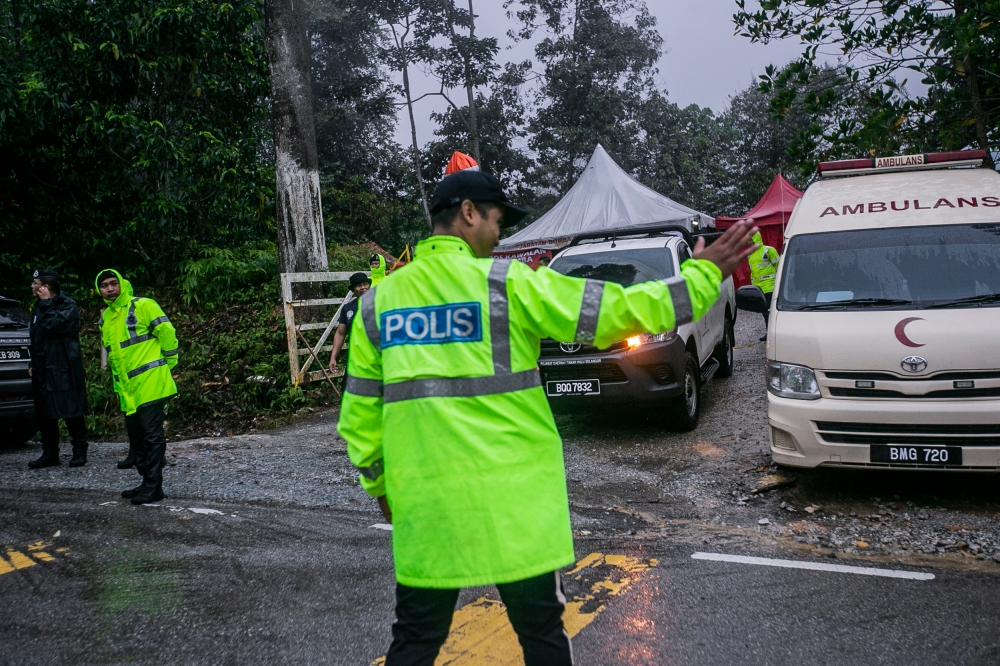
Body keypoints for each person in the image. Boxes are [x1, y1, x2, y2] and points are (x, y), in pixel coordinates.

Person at [337, 169, 758, 666]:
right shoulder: (507, 285)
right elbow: (617, 313)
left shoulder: (374, 307)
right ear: (468, 212)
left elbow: (359, 419)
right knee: (541, 637)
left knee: (415, 640)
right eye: (496, 219)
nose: (499, 234)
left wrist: (383, 488)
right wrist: (704, 271)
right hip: (516, 508)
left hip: (427, 508)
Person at [96, 269, 179, 505]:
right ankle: (146, 483)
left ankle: (154, 487)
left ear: (122, 284)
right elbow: (115, 356)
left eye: (114, 283)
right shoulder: (107, 318)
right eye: (104, 285)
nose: (110, 289)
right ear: (99, 290)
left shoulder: (142, 305)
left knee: (152, 437)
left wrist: (168, 362)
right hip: (129, 390)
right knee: (138, 439)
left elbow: (167, 332)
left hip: (151, 383)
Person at [26, 269, 89, 469]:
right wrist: (32, 363)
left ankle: (79, 451)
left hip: (63, 367)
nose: (32, 286)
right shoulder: (37, 308)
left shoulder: (67, 305)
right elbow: (37, 336)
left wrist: (47, 303)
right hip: (43, 367)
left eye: (35, 282)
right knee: (44, 412)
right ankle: (50, 453)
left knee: (71, 410)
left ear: (46, 286)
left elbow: (55, 325)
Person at [327, 272, 371, 375]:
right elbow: (340, 333)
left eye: (365, 284)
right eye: (359, 285)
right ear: (352, 290)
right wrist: (333, 357)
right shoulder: (348, 308)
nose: (363, 287)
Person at [747, 227, 779, 341]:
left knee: (771, 312)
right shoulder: (750, 255)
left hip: (770, 286)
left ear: (756, 239)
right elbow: (753, 272)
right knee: (765, 313)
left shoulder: (768, 250)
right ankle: (769, 333)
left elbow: (779, 267)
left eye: (750, 239)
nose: (748, 242)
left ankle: (775, 334)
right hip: (759, 289)